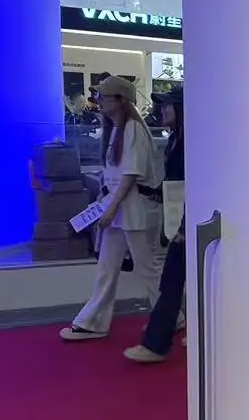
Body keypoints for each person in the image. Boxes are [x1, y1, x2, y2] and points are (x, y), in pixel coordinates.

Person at [60, 76, 163, 342]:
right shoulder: (118, 129)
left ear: (120, 100)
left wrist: (110, 207)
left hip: (133, 209)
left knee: (147, 268)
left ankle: (171, 316)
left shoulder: (133, 129)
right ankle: (92, 321)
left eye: (103, 97)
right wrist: (108, 205)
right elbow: (121, 175)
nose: (98, 101)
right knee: (108, 268)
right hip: (121, 209)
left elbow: (130, 175)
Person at [125, 88, 186, 364]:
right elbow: (176, 182)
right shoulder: (176, 139)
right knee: (174, 280)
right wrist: (154, 192)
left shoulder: (192, 141)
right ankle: (160, 338)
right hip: (181, 220)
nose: (163, 111)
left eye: (168, 106)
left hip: (191, 222)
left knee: (172, 280)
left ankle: (156, 342)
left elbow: (199, 184)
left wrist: (184, 225)